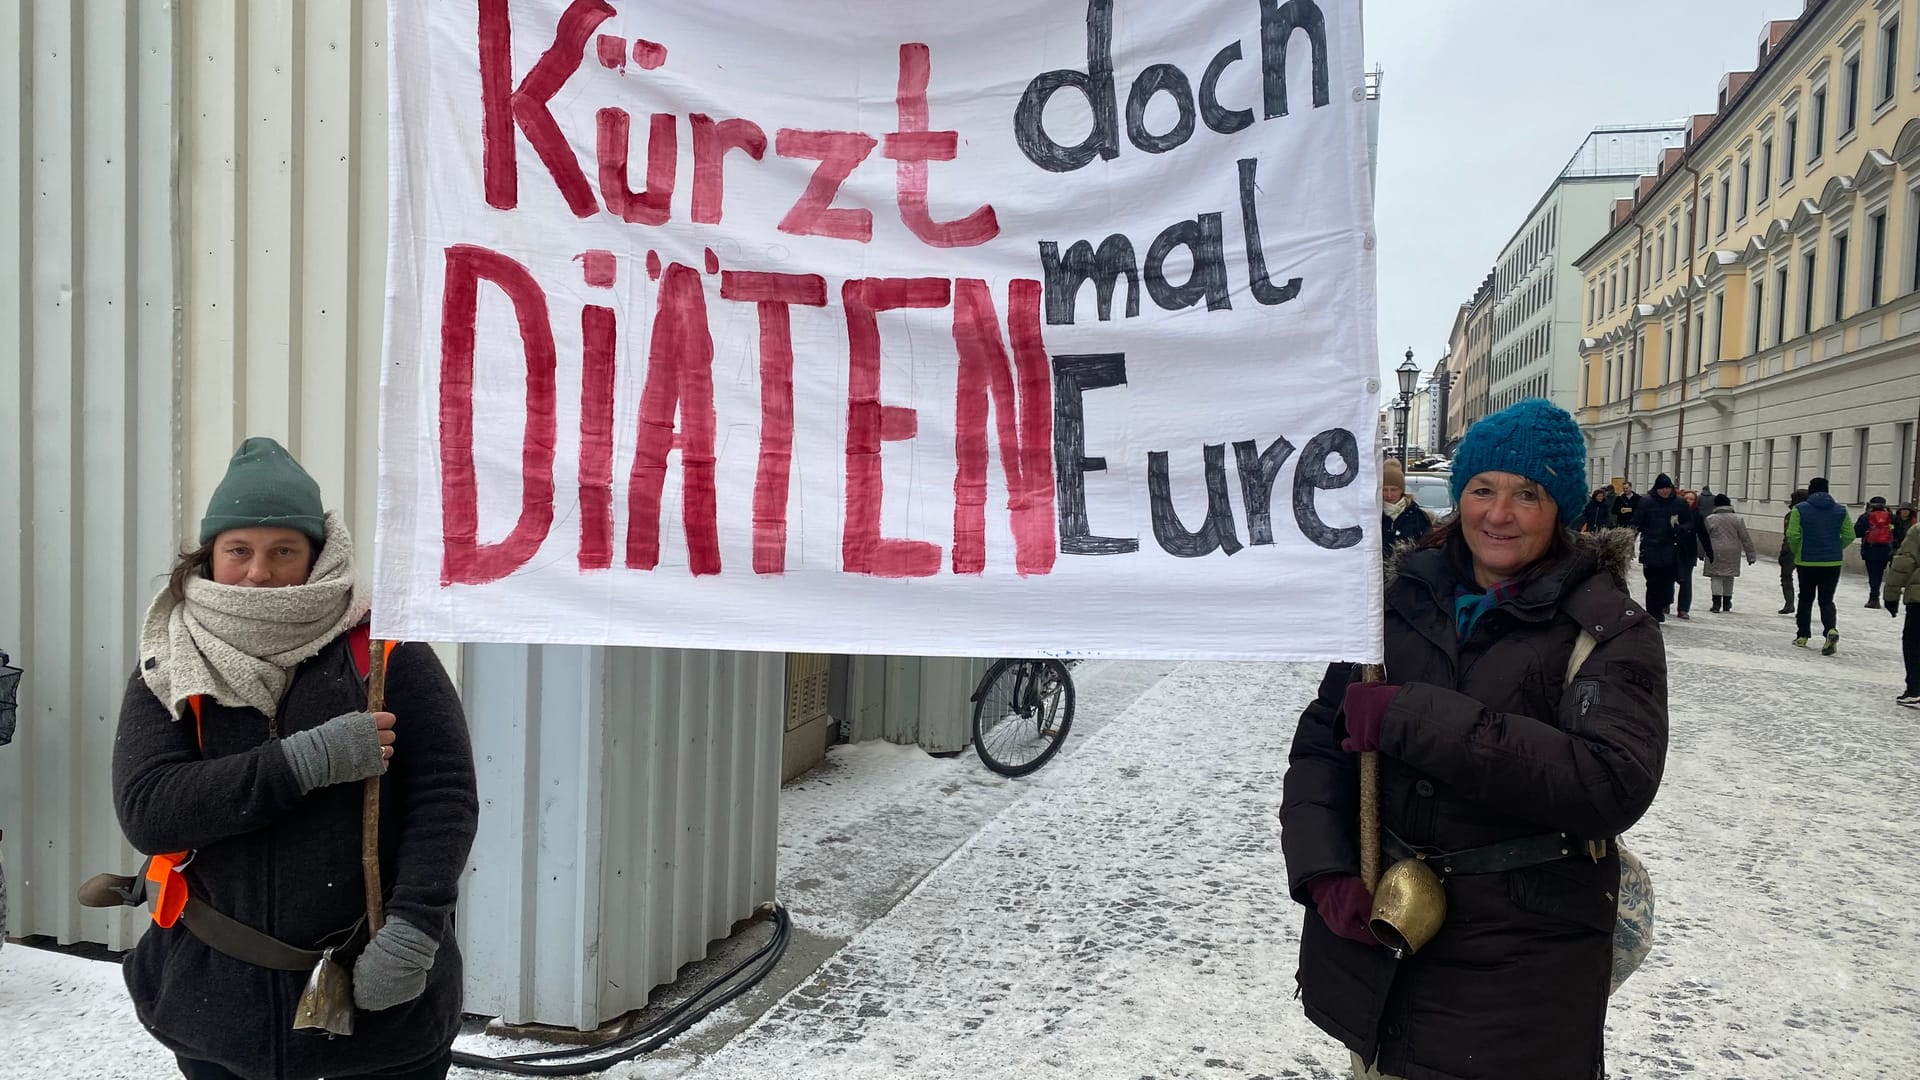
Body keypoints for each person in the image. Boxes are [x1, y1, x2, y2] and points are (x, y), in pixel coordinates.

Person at [1282, 399, 1667, 1080]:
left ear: (1564, 509)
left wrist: (1413, 717)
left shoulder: (1607, 627)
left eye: (1528, 494)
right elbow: (1322, 744)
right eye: (1483, 489)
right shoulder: (1394, 602)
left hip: (1519, 965)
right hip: (1388, 945)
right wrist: (1325, 869)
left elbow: (1608, 783)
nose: (1499, 513)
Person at [111, 438, 479, 1080]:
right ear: (210, 554)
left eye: (284, 550)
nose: (259, 572)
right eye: (239, 551)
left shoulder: (384, 650)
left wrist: (415, 929)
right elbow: (151, 810)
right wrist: (304, 762)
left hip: (379, 1010)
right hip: (213, 1005)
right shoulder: (169, 662)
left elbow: (444, 794)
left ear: (316, 554)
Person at [1787, 476, 1855, 655]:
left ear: (1810, 490)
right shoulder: (1841, 510)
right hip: (1832, 562)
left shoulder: (1799, 509)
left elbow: (1793, 535)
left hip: (1806, 560)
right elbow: (1849, 535)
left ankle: (1802, 635)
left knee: (1805, 598)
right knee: (1826, 599)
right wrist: (1835, 547)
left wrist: (1797, 551)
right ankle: (1830, 630)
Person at [1631, 474, 1691, 623]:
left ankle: (1662, 605)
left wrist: (1680, 529)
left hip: (1671, 547)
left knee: (1666, 581)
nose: (1665, 491)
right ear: (1656, 489)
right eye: (1661, 489)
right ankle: (1653, 612)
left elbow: (1690, 523)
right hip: (1650, 546)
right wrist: (1629, 540)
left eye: (1667, 488)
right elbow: (1635, 523)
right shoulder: (1645, 502)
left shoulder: (1680, 503)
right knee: (1652, 582)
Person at [1881, 518, 1920, 707]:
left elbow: (1904, 563)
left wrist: (1891, 594)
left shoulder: (1918, 531)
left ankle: (1915, 688)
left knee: (1913, 642)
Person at [1701, 494, 1758, 612]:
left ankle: (1716, 604)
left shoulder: (1710, 519)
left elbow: (1704, 538)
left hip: (1715, 550)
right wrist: (1750, 555)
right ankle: (1727, 602)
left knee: (1716, 576)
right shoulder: (1738, 519)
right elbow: (1745, 538)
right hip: (1733, 551)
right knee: (1729, 576)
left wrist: (1701, 552)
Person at [1671, 489, 1712, 620]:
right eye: (1686, 498)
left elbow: (1703, 535)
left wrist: (1709, 551)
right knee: (1667, 579)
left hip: (1688, 551)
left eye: (1691, 499)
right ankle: (1665, 603)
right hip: (1671, 549)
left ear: (1695, 502)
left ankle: (1683, 609)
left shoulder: (1697, 515)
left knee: (1685, 581)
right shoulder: (1673, 513)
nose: (1688, 501)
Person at [1381, 459, 1433, 554]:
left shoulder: (1418, 516)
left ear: (1402, 490)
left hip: (1409, 567)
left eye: (1393, 490)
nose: (1389, 495)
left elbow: (1428, 547)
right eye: (1384, 490)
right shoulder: (1373, 515)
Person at [1857, 496, 1898, 607]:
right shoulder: (1891, 517)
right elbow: (1898, 532)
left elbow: (1857, 531)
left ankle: (1874, 598)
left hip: (1870, 548)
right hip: (1886, 549)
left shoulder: (1866, 516)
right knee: (1879, 573)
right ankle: (1881, 597)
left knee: (1873, 574)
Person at [1778, 489, 1808, 615]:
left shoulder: (1791, 515)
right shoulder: (1810, 514)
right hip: (1806, 550)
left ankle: (1789, 604)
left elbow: (1789, 535)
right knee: (1805, 580)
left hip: (1791, 550)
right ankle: (1802, 606)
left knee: (1786, 577)